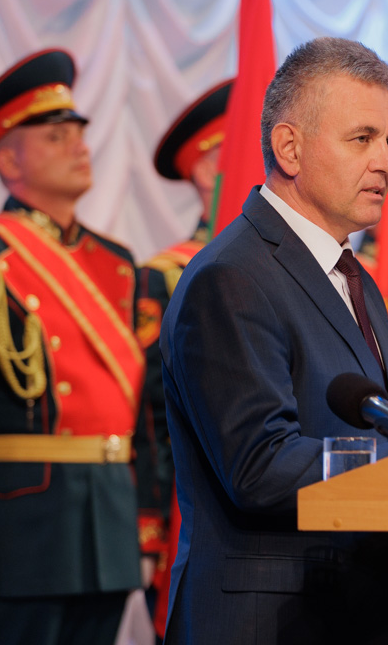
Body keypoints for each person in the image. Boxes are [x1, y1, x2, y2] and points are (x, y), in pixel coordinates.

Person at [159, 38, 388, 644]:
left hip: (357, 616)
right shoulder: (232, 276)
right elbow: (260, 466)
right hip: (273, 626)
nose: (387, 162)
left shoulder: (353, 278)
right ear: (290, 148)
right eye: (362, 139)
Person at [0, 49, 166, 645]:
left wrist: (146, 524)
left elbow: (147, 416)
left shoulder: (118, 265)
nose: (80, 147)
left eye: (78, 134)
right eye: (55, 137)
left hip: (108, 522)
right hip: (22, 529)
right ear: (8, 159)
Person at [136, 77, 235, 640]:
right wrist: (149, 524)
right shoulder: (168, 275)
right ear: (204, 170)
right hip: (194, 503)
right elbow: (151, 416)